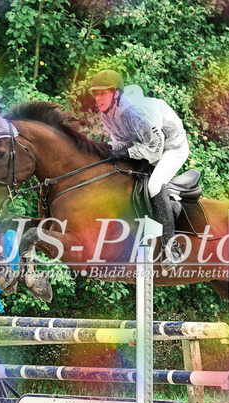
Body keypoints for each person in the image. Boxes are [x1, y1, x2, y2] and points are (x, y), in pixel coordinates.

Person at [89, 69, 190, 267]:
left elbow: (155, 150)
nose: (98, 98)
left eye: (103, 93)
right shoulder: (107, 115)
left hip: (172, 148)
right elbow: (122, 142)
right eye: (96, 94)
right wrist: (102, 148)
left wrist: (125, 153)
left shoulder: (138, 113)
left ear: (116, 94)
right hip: (147, 147)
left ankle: (172, 248)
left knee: (154, 185)